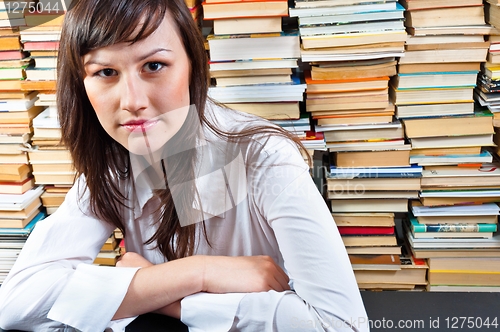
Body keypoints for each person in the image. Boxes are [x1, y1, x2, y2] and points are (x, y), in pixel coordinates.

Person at [0, 0, 369, 331]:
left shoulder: (263, 156)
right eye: (106, 73)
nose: (133, 101)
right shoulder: (113, 164)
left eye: (154, 65)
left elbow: (340, 325)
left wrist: (164, 296)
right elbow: (15, 305)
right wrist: (198, 273)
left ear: (194, 66)